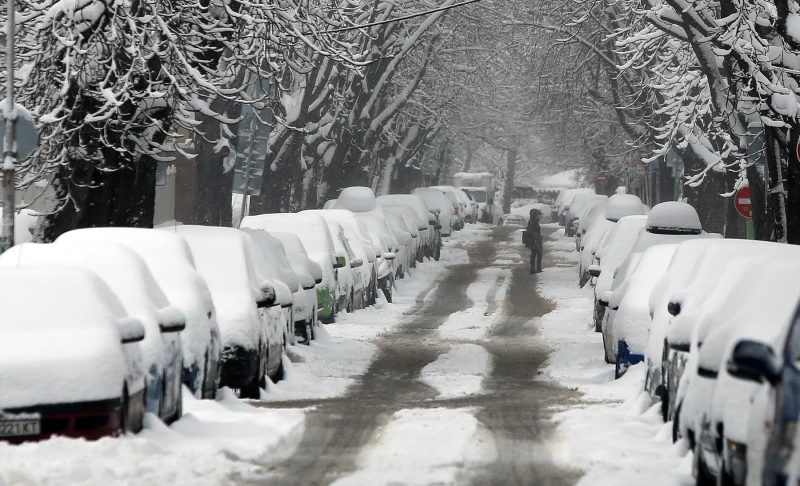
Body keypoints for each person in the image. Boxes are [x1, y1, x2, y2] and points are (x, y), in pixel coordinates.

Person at [526, 209, 543, 274]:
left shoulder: (535, 222)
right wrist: (537, 237)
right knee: (536, 254)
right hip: (534, 241)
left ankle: (536, 268)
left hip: (536, 241)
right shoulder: (532, 222)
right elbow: (531, 231)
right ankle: (534, 269)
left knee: (535, 254)